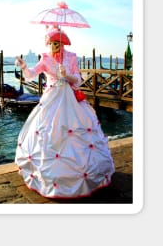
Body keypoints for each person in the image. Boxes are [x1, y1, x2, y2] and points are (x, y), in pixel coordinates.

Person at [14, 27, 115, 198]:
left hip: (70, 98)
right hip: (52, 98)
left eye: (57, 43)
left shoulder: (71, 57)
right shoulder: (45, 58)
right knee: (50, 132)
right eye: (51, 43)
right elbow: (31, 75)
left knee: (77, 130)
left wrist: (66, 75)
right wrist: (24, 67)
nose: (53, 46)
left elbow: (78, 79)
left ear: (62, 43)